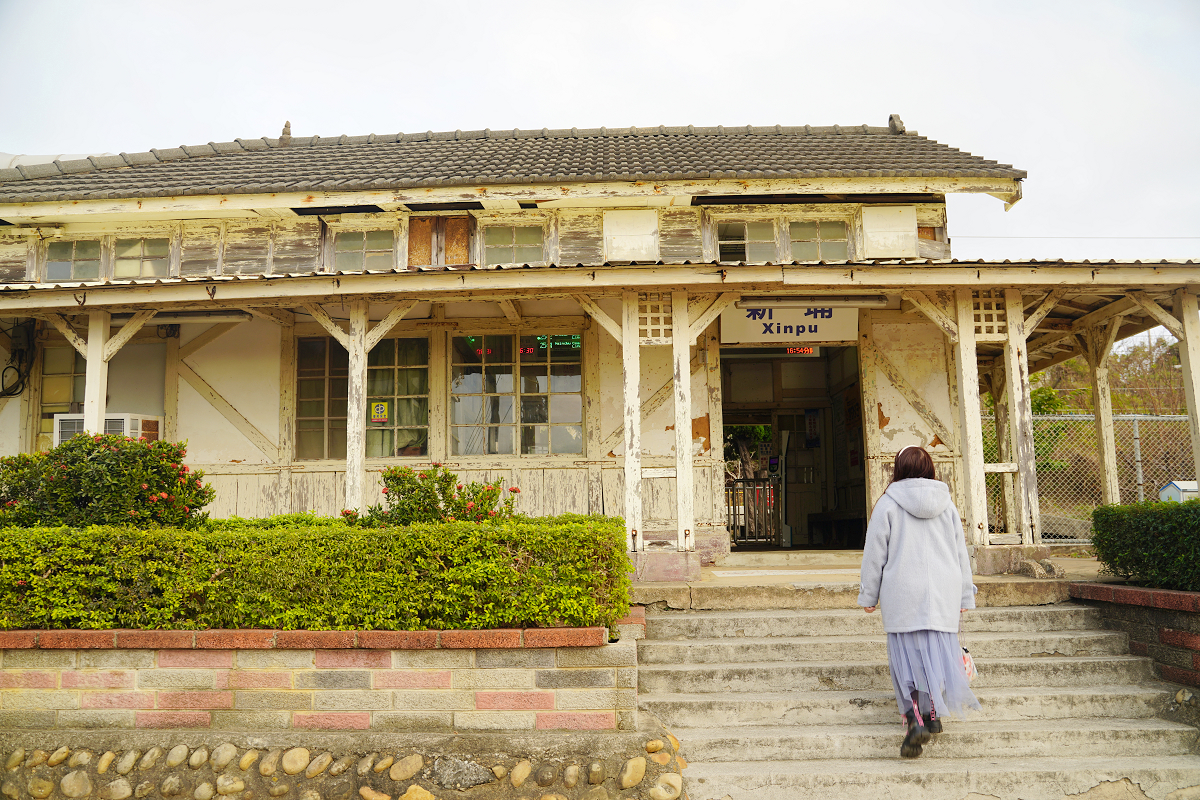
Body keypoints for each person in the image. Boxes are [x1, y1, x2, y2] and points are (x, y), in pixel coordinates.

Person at [857, 445, 981, 758]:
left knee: (906, 661)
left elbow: (875, 556)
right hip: (943, 593)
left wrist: (869, 595)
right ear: (930, 469)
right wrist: (965, 594)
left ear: (897, 470)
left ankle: (916, 721)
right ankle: (934, 716)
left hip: (903, 594)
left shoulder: (887, 504)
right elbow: (959, 553)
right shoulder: (948, 505)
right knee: (936, 657)